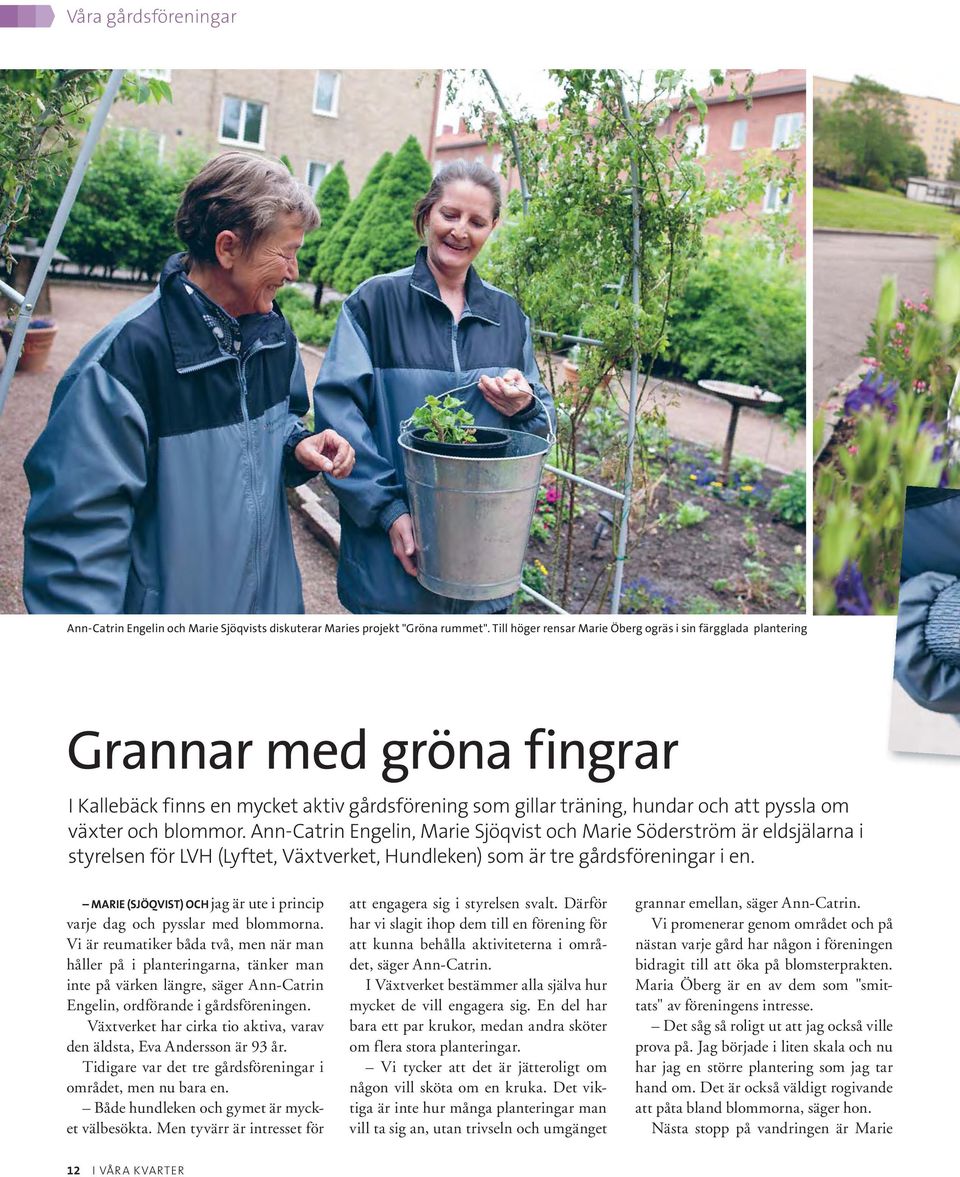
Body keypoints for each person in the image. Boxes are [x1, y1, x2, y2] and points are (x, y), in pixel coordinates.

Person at [23, 152, 354, 614]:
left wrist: (295, 446)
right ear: (227, 248)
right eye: (286, 252)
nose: (293, 272)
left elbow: (276, 425)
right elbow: (75, 545)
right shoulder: (123, 362)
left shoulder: (274, 338)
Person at [313, 159, 554, 614]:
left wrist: (524, 408)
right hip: (391, 558)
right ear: (427, 214)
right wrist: (389, 511)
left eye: (477, 221)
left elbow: (540, 422)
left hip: (479, 561)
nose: (460, 231)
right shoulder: (374, 304)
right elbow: (338, 420)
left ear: (492, 228)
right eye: (450, 215)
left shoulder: (508, 318)